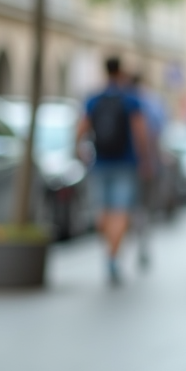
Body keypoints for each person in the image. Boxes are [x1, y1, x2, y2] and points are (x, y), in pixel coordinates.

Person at [76, 57, 150, 285]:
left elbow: (80, 129)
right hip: (125, 164)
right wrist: (145, 159)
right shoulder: (130, 99)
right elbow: (140, 132)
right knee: (121, 212)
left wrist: (79, 153)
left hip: (100, 164)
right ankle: (112, 258)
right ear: (121, 72)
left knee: (102, 213)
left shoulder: (93, 99)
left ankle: (110, 253)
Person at [128, 72, 166, 267]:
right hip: (146, 162)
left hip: (123, 164)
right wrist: (152, 159)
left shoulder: (122, 99)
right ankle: (142, 242)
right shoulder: (152, 101)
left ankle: (120, 246)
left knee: (126, 205)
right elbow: (157, 133)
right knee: (144, 205)